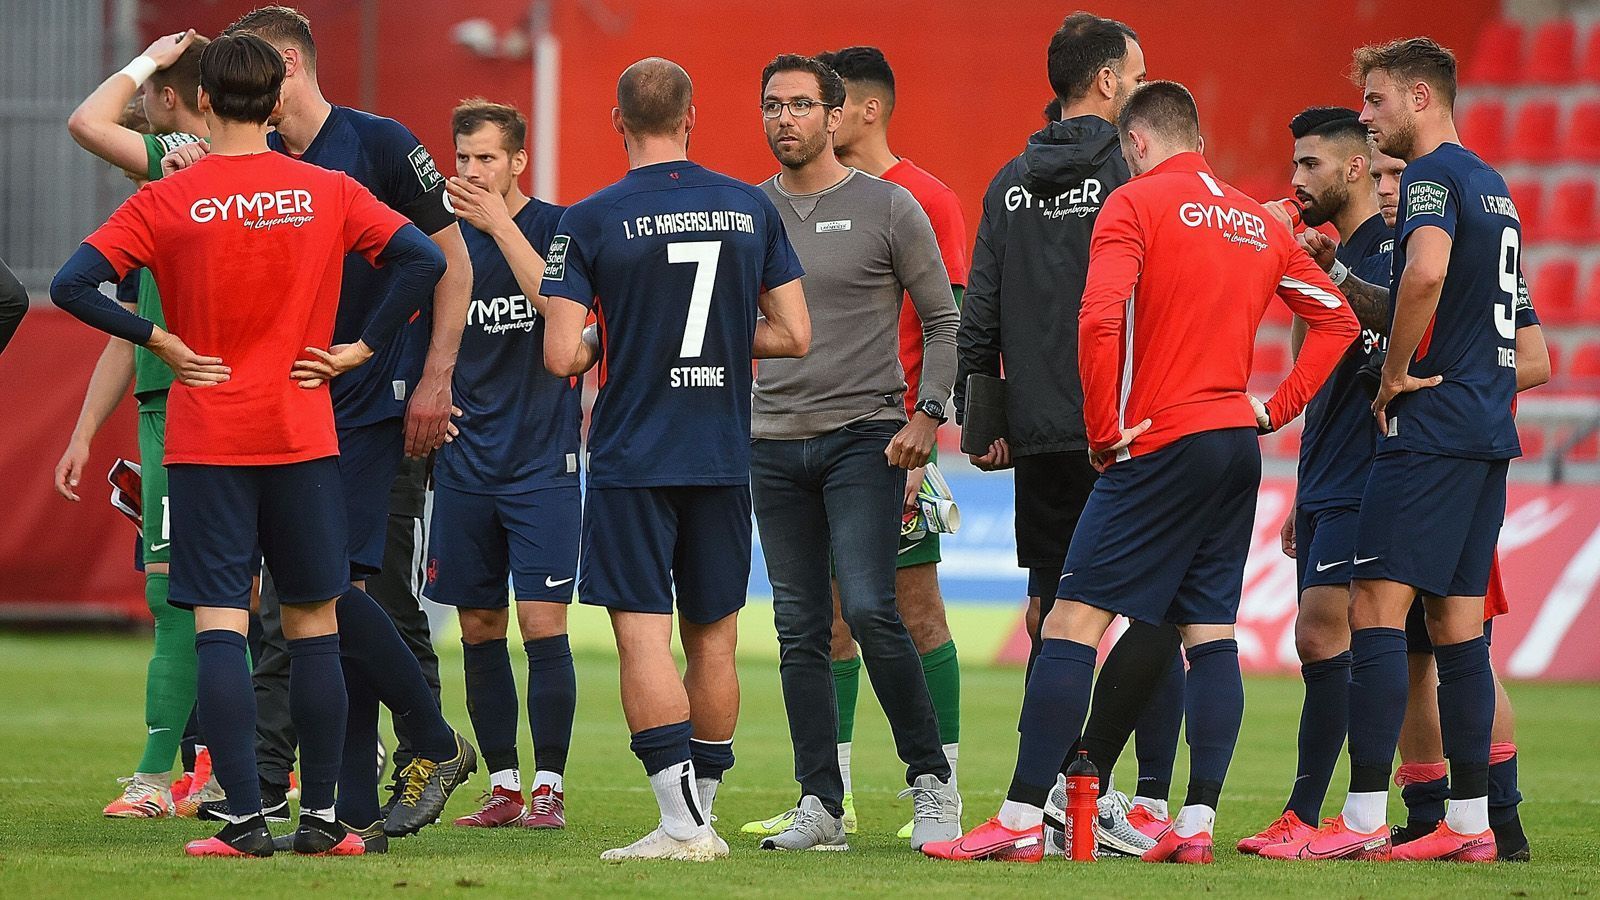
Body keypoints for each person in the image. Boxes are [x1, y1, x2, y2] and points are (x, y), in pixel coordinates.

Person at [925, 80, 1358, 864]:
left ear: (1135, 143)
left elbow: (1099, 317)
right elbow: (1339, 318)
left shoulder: (1133, 205)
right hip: (1234, 445)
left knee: (1069, 623)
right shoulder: (1255, 223)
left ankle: (1022, 817)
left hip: (1157, 441)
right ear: (1197, 138)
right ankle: (1193, 828)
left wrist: (1103, 431)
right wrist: (1276, 408)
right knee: (1209, 633)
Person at [50, 32, 446, 858]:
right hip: (303, 434)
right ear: (273, 103)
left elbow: (69, 286)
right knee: (315, 625)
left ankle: (241, 822)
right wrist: (361, 348)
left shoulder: (169, 198)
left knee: (222, 627)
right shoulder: (325, 188)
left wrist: (157, 337)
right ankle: (330, 822)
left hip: (207, 438)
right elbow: (418, 258)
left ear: (201, 103)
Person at [539, 57, 810, 861]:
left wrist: (615, 338)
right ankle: (706, 812)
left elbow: (562, 355)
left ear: (616, 121)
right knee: (714, 642)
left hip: (632, 456)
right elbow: (795, 333)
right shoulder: (747, 207)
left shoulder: (587, 220)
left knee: (641, 639)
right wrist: (723, 338)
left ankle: (681, 824)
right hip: (724, 452)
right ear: (692, 115)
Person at [219, 6, 475, 841]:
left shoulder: (378, 144)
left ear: (287, 64)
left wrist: (435, 375)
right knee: (327, 601)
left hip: (371, 406)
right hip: (284, 408)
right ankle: (352, 809)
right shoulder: (246, 159)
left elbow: (449, 259)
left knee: (328, 589)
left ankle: (431, 743)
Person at [1265, 37, 1520, 864]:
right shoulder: (1495, 186)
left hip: (1430, 431)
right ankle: (1472, 825)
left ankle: (1364, 815)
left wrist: (1394, 376)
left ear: (1419, 96)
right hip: (1487, 431)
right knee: (1455, 627)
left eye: (1374, 102)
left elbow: (1423, 280)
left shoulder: (1434, 181)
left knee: (1374, 610)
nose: (1368, 121)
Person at [953, 12, 1181, 856]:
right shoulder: (1135, 172)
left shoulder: (1009, 181)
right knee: (1154, 608)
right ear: (1110, 84)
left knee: (1054, 613)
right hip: (1124, 426)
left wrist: (986, 423)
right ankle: (1139, 800)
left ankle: (1037, 804)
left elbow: (981, 307)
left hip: (1042, 436)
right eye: (1140, 71)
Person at [741, 43, 968, 843]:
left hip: (865, 440)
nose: (785, 119)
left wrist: (927, 417)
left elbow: (947, 322)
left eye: (801, 104)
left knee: (874, 609)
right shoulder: (749, 213)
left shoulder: (889, 206)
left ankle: (933, 782)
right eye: (773, 104)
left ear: (836, 116)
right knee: (798, 627)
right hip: (772, 442)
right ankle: (822, 805)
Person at [53, 28, 214, 820]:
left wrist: (144, 58)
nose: (139, 110)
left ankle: (164, 778)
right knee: (185, 592)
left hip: (201, 397)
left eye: (151, 93)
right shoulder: (175, 181)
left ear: (174, 99)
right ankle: (201, 772)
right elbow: (129, 320)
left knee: (194, 593)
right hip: (166, 396)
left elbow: (85, 121)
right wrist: (86, 429)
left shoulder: (189, 161)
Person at [1370, 144, 1542, 863]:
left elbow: (1531, 357)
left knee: (1404, 623)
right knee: (1438, 638)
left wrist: (1411, 373)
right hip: (1469, 441)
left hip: (1435, 444)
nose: (1389, 186)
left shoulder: (1437, 231)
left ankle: (1491, 816)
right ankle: (1461, 821)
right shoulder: (1487, 200)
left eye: (1392, 174)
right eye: (1378, 175)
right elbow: (1527, 352)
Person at [1237, 106, 1395, 853]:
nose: (1298, 179)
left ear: (1354, 168)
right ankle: (1352, 811)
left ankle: (1335, 815)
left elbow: (1397, 332)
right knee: (1331, 639)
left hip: (1374, 470)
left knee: (1331, 631)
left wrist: (1326, 265)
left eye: (1310, 165)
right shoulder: (1328, 252)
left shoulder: (1391, 250)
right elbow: (1318, 373)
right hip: (1328, 470)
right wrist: (1304, 484)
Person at [425, 99, 578, 831]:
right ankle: (505, 786)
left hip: (544, 462)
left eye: (487, 158)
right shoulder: (444, 239)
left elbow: (558, 312)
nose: (473, 173)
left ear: (518, 160)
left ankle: (549, 787)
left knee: (543, 623)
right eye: (463, 159)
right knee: (480, 625)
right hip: (464, 461)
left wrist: (499, 224)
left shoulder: (557, 228)